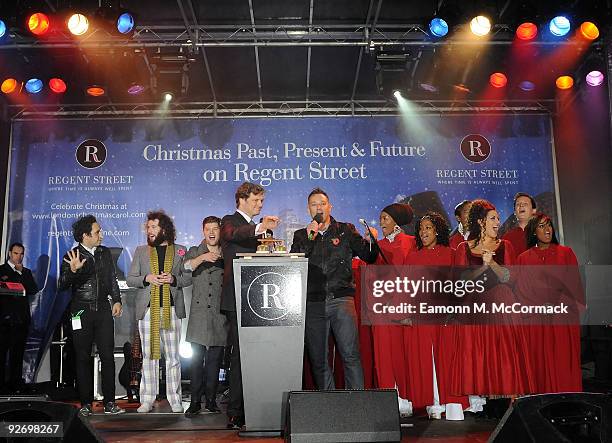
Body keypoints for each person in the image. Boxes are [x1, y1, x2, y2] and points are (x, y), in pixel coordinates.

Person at [291, 188, 379, 391]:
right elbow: (295, 262)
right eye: (314, 204)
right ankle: (328, 405)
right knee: (319, 359)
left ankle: (357, 403)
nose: (318, 207)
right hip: (313, 303)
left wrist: (372, 240)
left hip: (341, 300)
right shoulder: (301, 235)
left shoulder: (345, 230)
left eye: (322, 203)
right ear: (308, 209)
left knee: (350, 355)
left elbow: (369, 256)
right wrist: (310, 237)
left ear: (330, 206)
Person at [452, 200, 534, 400]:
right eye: (493, 218)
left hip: (502, 305)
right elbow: (460, 282)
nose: (498, 222)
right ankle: (491, 402)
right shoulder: (464, 248)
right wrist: (482, 267)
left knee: (506, 353)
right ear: (481, 222)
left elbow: (511, 278)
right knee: (485, 355)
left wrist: (493, 263)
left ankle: (512, 399)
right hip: (478, 308)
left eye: (498, 218)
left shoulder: (505, 246)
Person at [220, 182, 279, 429]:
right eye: (256, 201)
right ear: (242, 199)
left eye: (262, 201)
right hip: (237, 298)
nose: (260, 205)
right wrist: (260, 227)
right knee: (239, 357)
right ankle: (236, 410)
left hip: (260, 298)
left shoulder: (259, 229)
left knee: (259, 355)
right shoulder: (229, 221)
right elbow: (235, 235)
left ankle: (259, 406)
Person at [58, 215, 125, 416]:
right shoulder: (72, 255)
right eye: (97, 232)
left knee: (108, 356)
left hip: (103, 310)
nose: (101, 235)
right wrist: (72, 271)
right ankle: (85, 403)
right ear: (85, 235)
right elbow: (62, 285)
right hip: (81, 310)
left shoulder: (104, 253)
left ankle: (110, 402)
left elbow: (111, 279)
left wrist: (117, 299)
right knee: (82, 357)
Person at [404, 213, 468, 418]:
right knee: (425, 357)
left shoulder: (450, 254)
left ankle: (451, 403)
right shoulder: (412, 257)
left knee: (447, 357)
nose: (424, 232)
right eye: (421, 228)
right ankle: (432, 402)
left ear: (438, 230)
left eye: (428, 227)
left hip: (445, 313)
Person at [127, 210, 190, 413]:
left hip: (171, 310)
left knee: (173, 357)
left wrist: (174, 279)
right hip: (147, 311)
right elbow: (131, 279)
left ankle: (175, 399)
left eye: (154, 227)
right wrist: (147, 278)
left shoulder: (180, 250)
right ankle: (147, 399)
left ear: (164, 229)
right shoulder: (141, 251)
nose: (150, 230)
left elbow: (188, 278)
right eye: (148, 227)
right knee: (149, 356)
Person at [517, 213, 582, 393]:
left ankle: (568, 400)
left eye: (549, 225)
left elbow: (574, 285)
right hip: (536, 318)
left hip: (562, 317)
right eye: (541, 226)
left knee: (563, 359)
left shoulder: (565, 253)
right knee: (539, 362)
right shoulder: (524, 258)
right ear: (532, 231)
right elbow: (522, 291)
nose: (547, 230)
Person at [369, 204, 415, 414]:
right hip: (381, 308)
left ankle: (407, 398)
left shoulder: (410, 243)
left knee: (402, 353)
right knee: (383, 353)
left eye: (385, 218)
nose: (381, 222)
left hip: (401, 307)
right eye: (381, 218)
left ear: (396, 220)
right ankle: (388, 399)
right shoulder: (376, 245)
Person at [183, 216, 228, 417]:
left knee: (214, 362)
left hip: (219, 315)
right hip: (199, 314)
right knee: (196, 362)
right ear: (203, 231)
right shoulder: (195, 251)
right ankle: (194, 402)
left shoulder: (227, 252)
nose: (211, 232)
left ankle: (211, 401)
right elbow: (182, 268)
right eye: (207, 229)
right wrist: (202, 258)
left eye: (215, 229)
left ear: (220, 231)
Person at [0, 242, 38, 394]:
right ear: (10, 253)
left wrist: (21, 273)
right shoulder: (1, 270)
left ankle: (15, 383)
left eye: (21, 254)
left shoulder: (26, 272)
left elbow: (33, 289)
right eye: (16, 253)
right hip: (4, 321)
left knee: (17, 354)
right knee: (2, 354)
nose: (19, 256)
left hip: (20, 320)